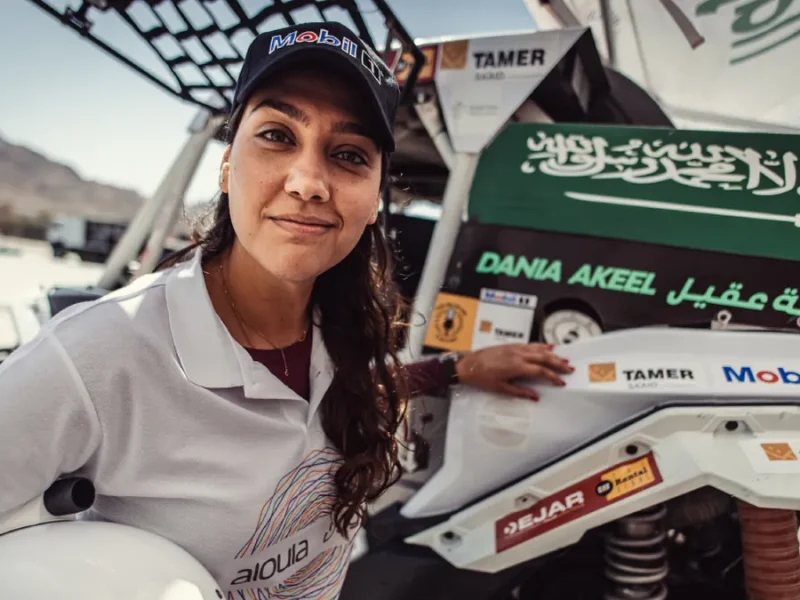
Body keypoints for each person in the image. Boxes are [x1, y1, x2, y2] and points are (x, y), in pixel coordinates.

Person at [0, 21, 571, 599]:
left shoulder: (340, 323)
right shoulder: (98, 353)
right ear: (227, 168)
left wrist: (454, 370)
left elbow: (335, 400)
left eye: (348, 154)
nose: (309, 182)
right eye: (276, 136)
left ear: (375, 198)